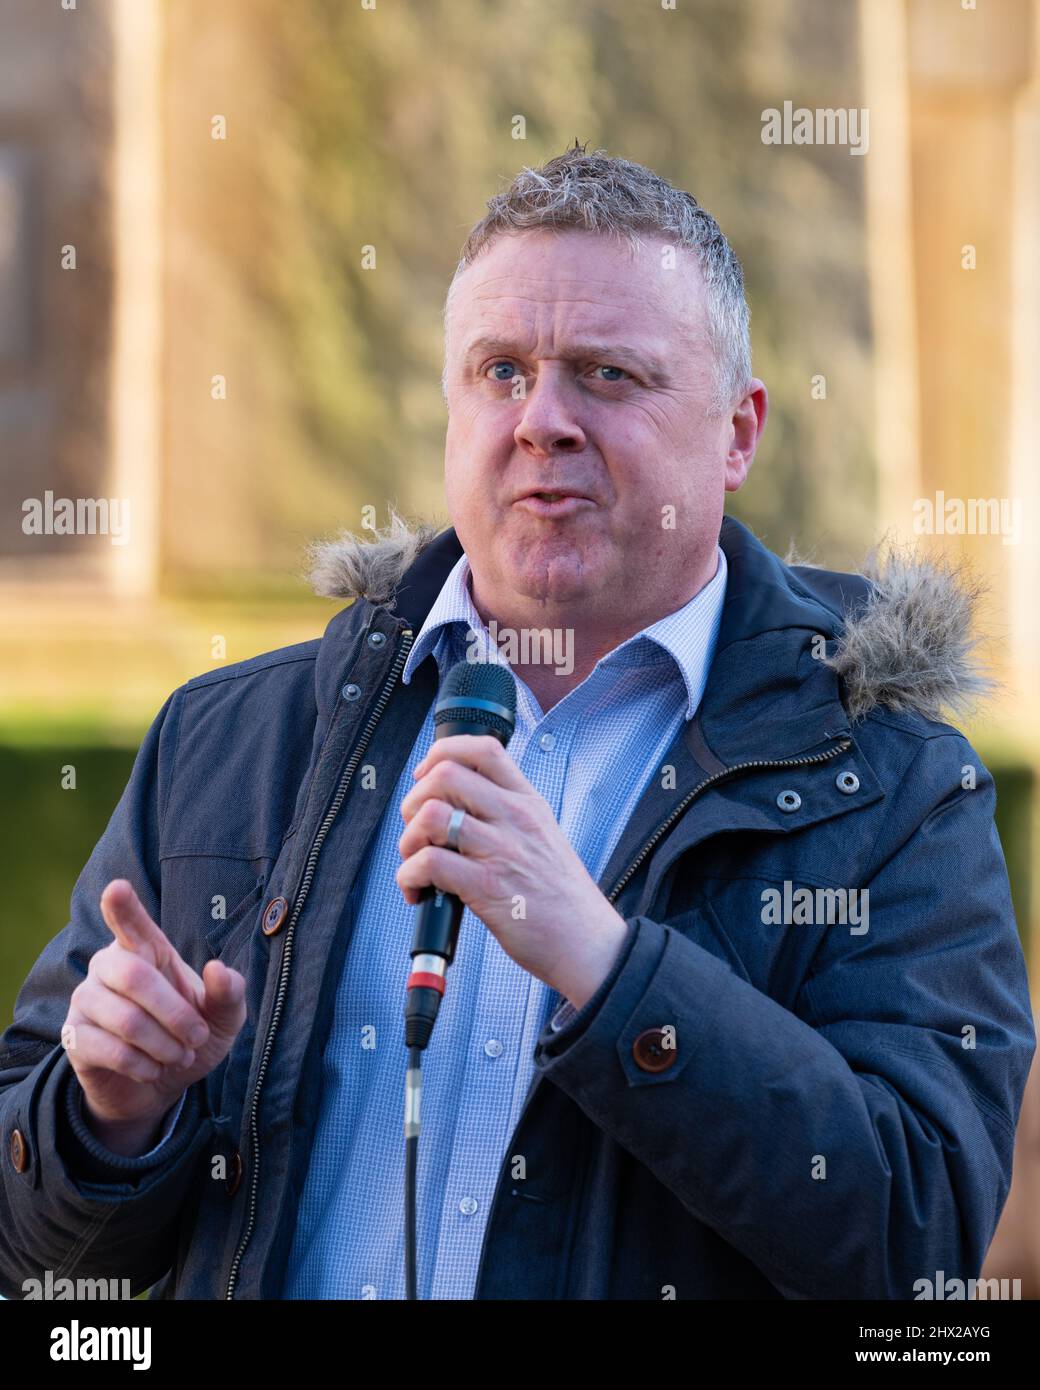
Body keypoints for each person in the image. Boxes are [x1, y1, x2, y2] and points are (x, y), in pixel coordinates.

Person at [0, 146, 1034, 1301]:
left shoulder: (889, 787)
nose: (542, 420)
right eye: (500, 372)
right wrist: (106, 1116)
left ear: (736, 433)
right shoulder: (229, 738)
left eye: (605, 375)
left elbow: (916, 1233)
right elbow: (34, 1241)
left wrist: (605, 967)